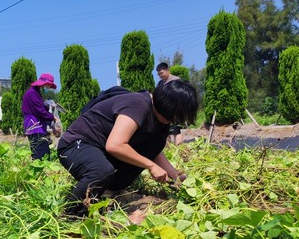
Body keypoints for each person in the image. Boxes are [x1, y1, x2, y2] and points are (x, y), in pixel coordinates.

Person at [57, 79, 198, 217]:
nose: (177, 120)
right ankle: (70, 214)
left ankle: (106, 193)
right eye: (178, 115)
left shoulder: (161, 121)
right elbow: (115, 145)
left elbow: (153, 150)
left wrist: (175, 175)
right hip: (76, 144)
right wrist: (151, 166)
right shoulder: (138, 104)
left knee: (146, 150)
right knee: (102, 171)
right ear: (169, 106)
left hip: (101, 151)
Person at [21, 73, 57, 160]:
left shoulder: (35, 93)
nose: (48, 88)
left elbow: (40, 108)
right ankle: (40, 171)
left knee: (40, 151)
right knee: (41, 153)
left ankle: (39, 171)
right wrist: (52, 117)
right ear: (43, 83)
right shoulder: (32, 93)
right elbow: (40, 111)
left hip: (36, 124)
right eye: (48, 85)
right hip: (34, 125)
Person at [156, 62, 184, 145]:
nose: (160, 75)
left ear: (167, 70)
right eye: (158, 74)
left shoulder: (176, 80)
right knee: (166, 131)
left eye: (161, 73)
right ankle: (169, 151)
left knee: (176, 130)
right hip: (164, 110)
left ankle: (178, 150)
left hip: (176, 109)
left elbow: (181, 95)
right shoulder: (160, 84)